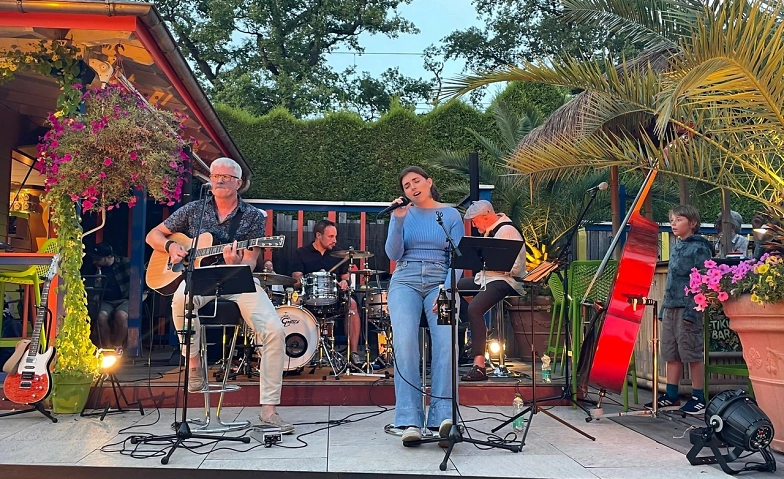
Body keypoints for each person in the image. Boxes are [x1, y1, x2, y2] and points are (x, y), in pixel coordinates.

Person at [145, 157, 292, 433]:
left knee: (274, 329)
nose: (220, 180)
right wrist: (170, 247)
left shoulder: (252, 216)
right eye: (215, 176)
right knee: (180, 299)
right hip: (200, 278)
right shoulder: (194, 209)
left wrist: (236, 262)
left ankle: (269, 410)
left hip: (238, 278)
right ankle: (194, 363)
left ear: (239, 183)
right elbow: (153, 235)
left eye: (226, 177)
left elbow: (251, 261)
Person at [385, 166, 464, 444]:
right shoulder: (401, 214)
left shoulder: (451, 214)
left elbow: (458, 258)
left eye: (416, 181)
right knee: (405, 343)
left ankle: (442, 418)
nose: (412, 188)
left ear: (429, 182)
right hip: (405, 279)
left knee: (447, 344)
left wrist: (447, 289)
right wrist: (397, 221)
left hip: (440, 281)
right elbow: (393, 254)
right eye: (406, 186)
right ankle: (409, 419)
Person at [645, 204, 713, 414]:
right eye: (672, 220)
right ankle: (671, 395)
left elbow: (703, 280)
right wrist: (664, 309)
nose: (674, 224)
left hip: (688, 307)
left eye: (679, 219)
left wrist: (692, 311)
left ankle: (698, 396)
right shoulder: (676, 247)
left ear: (692, 223)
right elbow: (672, 281)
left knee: (691, 351)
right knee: (671, 351)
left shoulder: (699, 248)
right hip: (671, 306)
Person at [457, 200, 526, 381]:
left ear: (485, 217)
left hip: (505, 281)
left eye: (475, 221)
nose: (474, 225)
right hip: (487, 278)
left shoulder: (507, 231)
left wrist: (492, 263)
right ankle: (468, 321)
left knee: (475, 308)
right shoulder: (492, 231)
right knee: (451, 287)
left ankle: (479, 366)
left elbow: (516, 268)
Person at [291, 220, 361, 366]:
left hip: (334, 297)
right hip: (309, 297)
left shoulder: (340, 254)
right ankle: (296, 352)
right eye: (330, 236)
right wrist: (303, 280)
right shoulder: (301, 253)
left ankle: (353, 353)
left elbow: (346, 278)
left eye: (335, 236)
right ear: (318, 235)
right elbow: (296, 280)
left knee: (352, 304)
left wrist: (345, 282)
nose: (334, 240)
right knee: (293, 304)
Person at [81, 243, 131, 353]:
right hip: (106, 300)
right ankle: (107, 348)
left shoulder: (125, 263)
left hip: (125, 299)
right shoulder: (93, 267)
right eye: (94, 258)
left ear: (109, 257)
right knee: (101, 316)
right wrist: (96, 284)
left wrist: (139, 296)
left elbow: (139, 279)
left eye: (98, 259)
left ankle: (118, 346)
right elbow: (88, 285)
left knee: (121, 316)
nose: (95, 262)